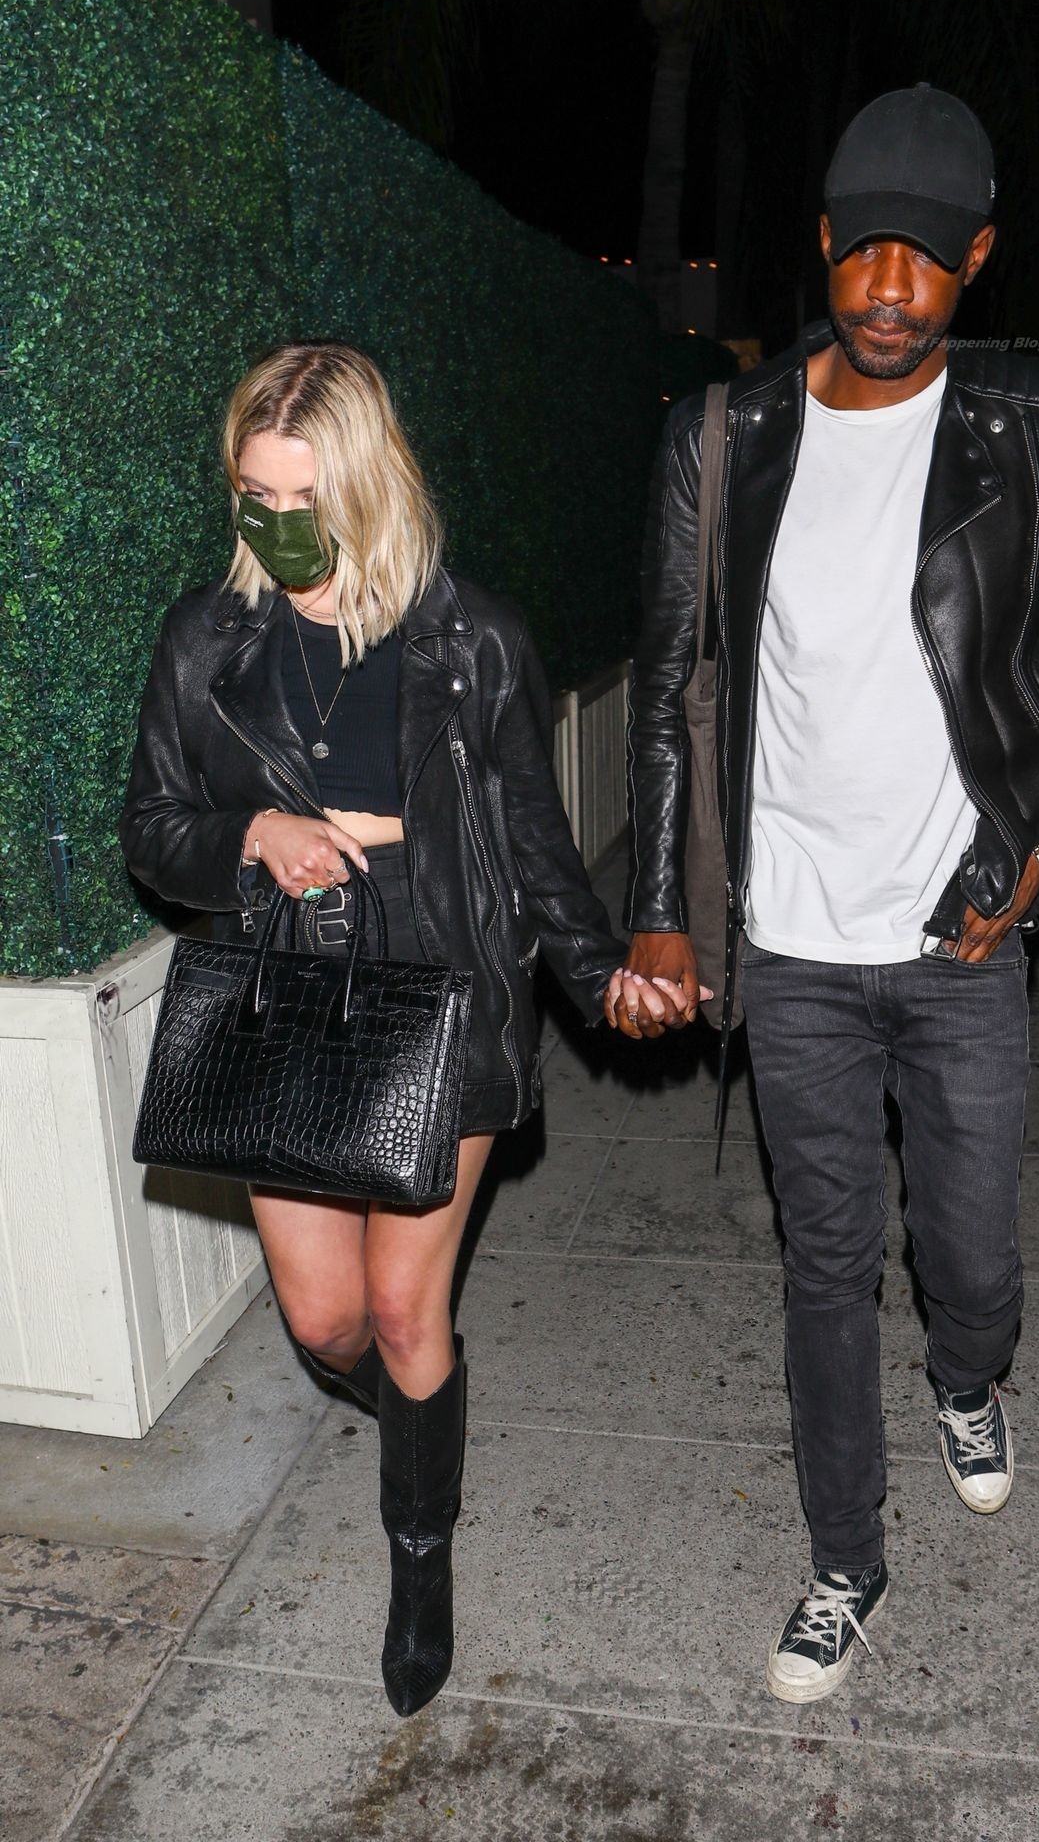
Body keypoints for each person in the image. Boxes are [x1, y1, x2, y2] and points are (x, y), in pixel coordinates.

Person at [613, 85, 1039, 1702]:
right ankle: (844, 1561)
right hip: (792, 942)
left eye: (925, 259)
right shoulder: (726, 438)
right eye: (863, 249)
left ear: (976, 261)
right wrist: (661, 904)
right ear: (821, 241)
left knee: (975, 1259)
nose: (888, 287)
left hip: (961, 934)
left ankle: (970, 1378)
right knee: (824, 1263)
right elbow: (668, 682)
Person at [118, 341, 669, 1717]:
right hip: (287, 992)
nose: (272, 523)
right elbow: (153, 831)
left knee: (409, 1312)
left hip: (440, 990)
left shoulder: (472, 640)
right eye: (252, 494)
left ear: (368, 485)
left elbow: (534, 839)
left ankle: (419, 1557)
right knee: (325, 1319)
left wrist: (604, 974)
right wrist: (256, 832)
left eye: (300, 497)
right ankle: (423, 1426)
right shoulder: (207, 639)